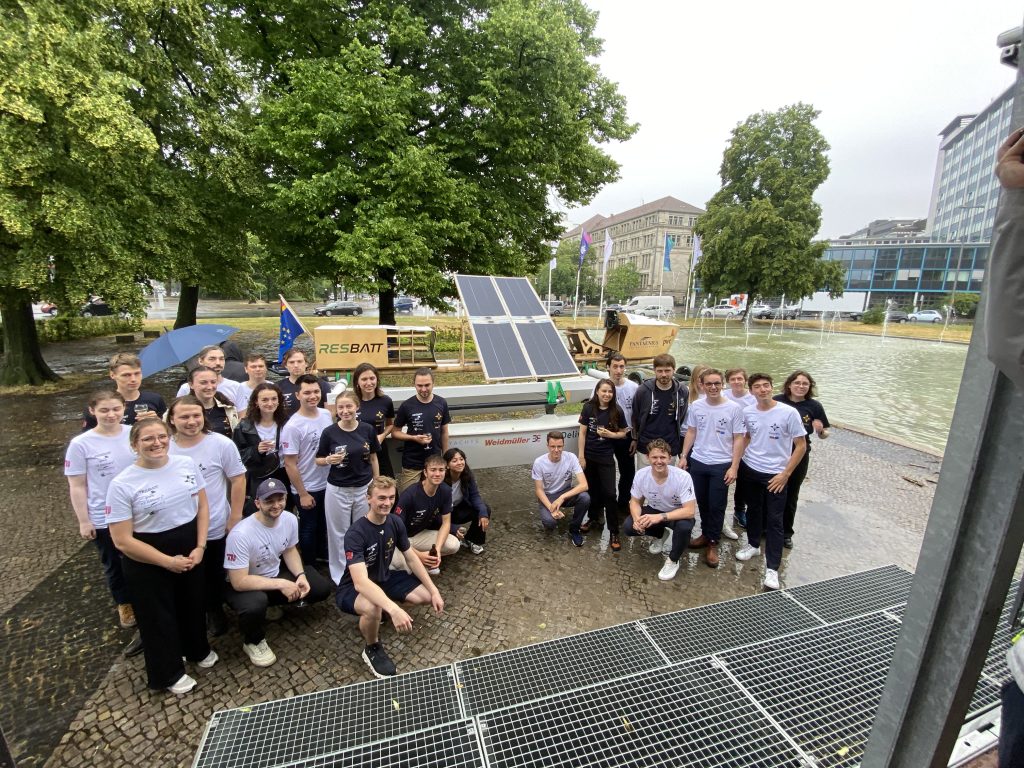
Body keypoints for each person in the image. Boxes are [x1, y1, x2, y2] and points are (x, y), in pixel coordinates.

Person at [106, 419, 216, 695]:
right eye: (148, 439)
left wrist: (200, 546)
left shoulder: (185, 464)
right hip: (148, 555)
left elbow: (203, 506)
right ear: (135, 444)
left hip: (189, 543)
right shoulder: (121, 484)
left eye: (161, 436)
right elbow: (122, 540)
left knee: (192, 604)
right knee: (158, 616)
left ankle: (197, 649)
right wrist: (166, 561)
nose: (157, 443)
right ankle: (168, 672)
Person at [335, 476, 444, 678]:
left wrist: (434, 590)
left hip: (385, 577)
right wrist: (394, 609)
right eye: (381, 498)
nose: (387, 503)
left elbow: (411, 558)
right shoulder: (355, 533)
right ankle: (372, 647)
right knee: (372, 607)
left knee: (425, 597)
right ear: (369, 498)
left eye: (391, 498)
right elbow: (360, 583)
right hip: (352, 588)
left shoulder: (395, 522)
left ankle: (381, 612)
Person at [223, 477, 332, 667]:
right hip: (243, 583)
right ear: (258, 503)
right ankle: (253, 641)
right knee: (255, 604)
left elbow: (289, 550)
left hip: (272, 572)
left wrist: (300, 576)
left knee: (320, 587)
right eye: (269, 501)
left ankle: (271, 604)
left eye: (280, 499)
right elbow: (238, 581)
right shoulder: (240, 534)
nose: (276, 505)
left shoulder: (289, 519)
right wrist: (282, 584)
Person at [167, 395, 246, 637]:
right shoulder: (165, 446)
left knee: (213, 571)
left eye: (196, 415)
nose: (191, 421)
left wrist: (235, 516)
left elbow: (238, 479)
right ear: (172, 419)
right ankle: (188, 612)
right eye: (184, 416)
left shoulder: (221, 444)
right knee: (183, 572)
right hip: (176, 525)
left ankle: (214, 609)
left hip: (214, 522)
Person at [65, 391, 137, 629]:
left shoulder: (133, 434)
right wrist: (84, 521)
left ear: (124, 408)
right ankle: (124, 602)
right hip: (104, 513)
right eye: (104, 410)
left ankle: (146, 596)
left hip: (139, 509)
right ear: (92, 411)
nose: (111, 415)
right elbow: (77, 485)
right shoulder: (81, 444)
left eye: (116, 409)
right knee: (114, 562)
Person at [734, 373, 807, 591]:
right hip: (751, 468)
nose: (762, 390)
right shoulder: (748, 411)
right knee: (754, 510)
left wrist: (786, 474)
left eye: (766, 385)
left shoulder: (788, 412)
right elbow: (747, 436)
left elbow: (801, 445)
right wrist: (737, 463)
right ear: (751, 391)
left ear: (772, 387)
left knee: (775, 520)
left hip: (775, 474)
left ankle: (773, 568)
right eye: (757, 386)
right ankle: (753, 544)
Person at [679, 369, 745, 568]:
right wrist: (684, 456)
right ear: (702, 385)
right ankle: (705, 534)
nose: (713, 387)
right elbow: (691, 431)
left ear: (723, 384)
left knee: (717, 504)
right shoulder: (696, 406)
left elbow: (739, 438)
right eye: (709, 384)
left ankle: (713, 542)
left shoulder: (734, 408)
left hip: (721, 463)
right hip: (699, 461)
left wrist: (734, 466)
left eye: (717, 383)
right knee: (702, 502)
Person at [316, 390, 380, 584]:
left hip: (363, 488)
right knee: (338, 534)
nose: (345, 411)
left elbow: (373, 457)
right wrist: (328, 460)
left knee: (362, 530)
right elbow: (318, 459)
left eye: (349, 406)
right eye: (341, 407)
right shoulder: (330, 432)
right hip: (338, 489)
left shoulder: (367, 429)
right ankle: (341, 575)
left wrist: (376, 483)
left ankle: (363, 571)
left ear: (357, 407)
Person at [623, 438, 697, 581]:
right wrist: (637, 519)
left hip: (677, 513)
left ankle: (673, 560)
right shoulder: (641, 475)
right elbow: (635, 502)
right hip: (655, 509)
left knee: (684, 527)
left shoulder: (683, 477)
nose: (659, 461)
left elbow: (689, 511)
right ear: (647, 458)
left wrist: (660, 517)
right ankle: (660, 535)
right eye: (654, 457)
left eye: (663, 457)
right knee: (628, 526)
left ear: (670, 458)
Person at [774, 370, 830, 549]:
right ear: (789, 384)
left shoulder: (814, 406)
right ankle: (766, 527)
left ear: (809, 387)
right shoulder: (777, 400)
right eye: (797, 383)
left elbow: (824, 434)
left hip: (799, 454)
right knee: (771, 490)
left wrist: (821, 431)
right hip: (775, 452)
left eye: (805, 383)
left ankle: (786, 532)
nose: (800, 386)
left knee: (791, 494)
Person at [281, 374, 334, 565]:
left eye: (316, 392)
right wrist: (302, 493)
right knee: (309, 527)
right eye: (307, 393)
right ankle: (309, 565)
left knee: (325, 524)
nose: (313, 396)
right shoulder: (293, 426)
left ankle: (323, 557)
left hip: (328, 483)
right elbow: (290, 463)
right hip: (307, 486)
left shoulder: (326, 415)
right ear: (298, 395)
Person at [582, 354, 637, 535]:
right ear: (608, 367)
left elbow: (636, 415)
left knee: (627, 472)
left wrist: (634, 437)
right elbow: (591, 411)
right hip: (601, 439)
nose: (618, 370)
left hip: (623, 435)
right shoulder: (598, 388)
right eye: (615, 366)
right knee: (597, 477)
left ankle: (622, 506)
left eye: (622, 366)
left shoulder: (633, 387)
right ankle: (597, 513)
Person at [577, 379, 629, 551]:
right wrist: (581, 456)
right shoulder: (588, 408)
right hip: (589, 456)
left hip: (606, 457)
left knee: (610, 494)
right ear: (597, 392)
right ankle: (593, 518)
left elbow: (623, 433)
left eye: (610, 391)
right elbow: (582, 433)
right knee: (592, 491)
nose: (607, 394)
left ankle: (614, 531)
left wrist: (610, 435)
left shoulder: (617, 410)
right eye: (604, 391)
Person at [392, 454, 459, 574]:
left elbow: (446, 523)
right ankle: (418, 560)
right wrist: (418, 555)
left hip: (420, 535)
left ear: (445, 472)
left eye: (441, 470)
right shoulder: (410, 494)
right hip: (400, 539)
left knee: (453, 545)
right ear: (425, 472)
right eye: (433, 470)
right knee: (401, 566)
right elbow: (395, 531)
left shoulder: (445, 490)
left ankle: (424, 559)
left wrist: (437, 550)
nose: (437, 474)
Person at [233, 382, 290, 516]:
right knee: (259, 513)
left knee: (283, 511)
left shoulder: (287, 422)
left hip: (283, 472)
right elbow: (236, 457)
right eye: (264, 400)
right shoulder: (244, 426)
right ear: (256, 402)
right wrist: (256, 450)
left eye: (274, 399)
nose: (270, 403)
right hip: (258, 475)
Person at [392, 367, 450, 492]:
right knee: (408, 496)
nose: (423, 389)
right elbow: (395, 432)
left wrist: (445, 458)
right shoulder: (407, 405)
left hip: (434, 461)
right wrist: (413, 438)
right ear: (414, 384)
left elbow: (444, 432)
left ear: (433, 383)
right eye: (419, 385)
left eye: (427, 385)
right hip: (412, 462)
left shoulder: (441, 403)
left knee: (432, 496)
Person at [531, 431, 590, 545]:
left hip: (565, 492)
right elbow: (538, 490)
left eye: (559, 446)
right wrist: (551, 508)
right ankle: (549, 519)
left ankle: (574, 529)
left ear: (563, 445)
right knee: (550, 523)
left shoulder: (571, 457)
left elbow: (584, 485)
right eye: (553, 446)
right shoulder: (539, 462)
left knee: (585, 497)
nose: (556, 450)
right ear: (547, 446)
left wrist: (562, 497)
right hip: (548, 495)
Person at [81, 353, 166, 430]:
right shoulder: (101, 405)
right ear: (112, 375)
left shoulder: (155, 399)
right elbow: (88, 437)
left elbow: (168, 431)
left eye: (137, 373)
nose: (133, 379)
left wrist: (158, 422)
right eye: (126, 375)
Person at [632, 354, 688, 465]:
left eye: (667, 371)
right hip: (646, 445)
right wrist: (634, 438)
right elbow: (635, 416)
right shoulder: (643, 390)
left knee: (666, 476)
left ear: (674, 370)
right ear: (654, 370)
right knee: (645, 475)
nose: (664, 374)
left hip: (670, 445)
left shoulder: (682, 391)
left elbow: (681, 416)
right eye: (660, 371)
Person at [723, 368, 756, 529]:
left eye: (739, 379)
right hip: (726, 442)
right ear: (728, 381)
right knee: (723, 478)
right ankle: (720, 513)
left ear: (745, 380)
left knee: (743, 479)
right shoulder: (724, 395)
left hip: (747, 441)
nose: (736, 382)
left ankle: (739, 509)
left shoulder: (753, 398)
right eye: (733, 379)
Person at [353, 362, 396, 479]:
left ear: (377, 379)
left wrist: (382, 435)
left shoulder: (385, 401)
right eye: (364, 379)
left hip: (379, 449)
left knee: (385, 483)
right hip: (358, 451)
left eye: (372, 378)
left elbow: (390, 425)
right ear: (357, 381)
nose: (369, 383)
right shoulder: (351, 402)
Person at [443, 448, 490, 555]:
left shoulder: (467, 475)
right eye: (454, 461)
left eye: (461, 459)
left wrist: (483, 513)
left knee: (484, 509)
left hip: (457, 510)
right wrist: (453, 528)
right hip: (443, 515)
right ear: (447, 465)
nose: (459, 463)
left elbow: (475, 496)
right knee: (451, 541)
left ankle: (473, 540)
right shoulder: (441, 479)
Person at [175, 345, 248, 413]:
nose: (218, 363)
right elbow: (178, 413)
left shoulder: (236, 387)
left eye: (221, 359)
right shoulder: (186, 388)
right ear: (200, 361)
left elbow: (242, 415)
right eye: (212, 359)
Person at [182, 365, 239, 439]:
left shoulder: (229, 409)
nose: (209, 387)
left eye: (213, 382)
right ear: (191, 385)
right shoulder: (180, 410)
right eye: (203, 383)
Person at [277, 349, 331, 417]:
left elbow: (330, 413)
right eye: (291, 362)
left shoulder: (323, 385)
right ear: (285, 365)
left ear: (306, 364)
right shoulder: (277, 387)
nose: (296, 365)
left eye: (299, 361)